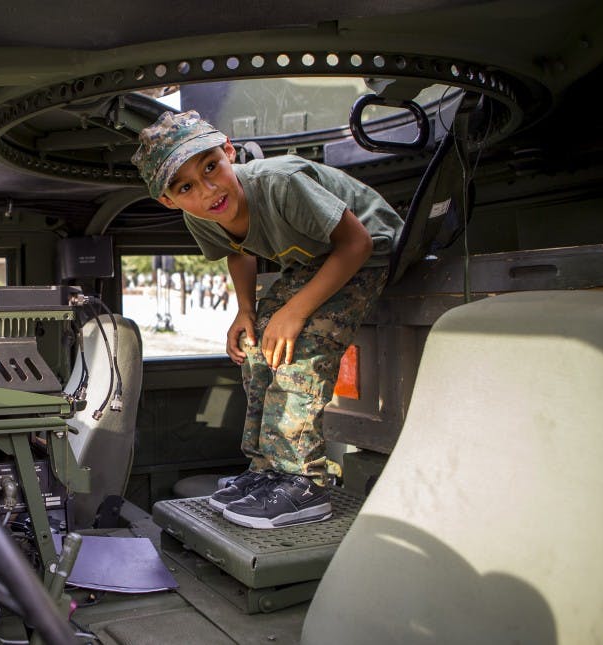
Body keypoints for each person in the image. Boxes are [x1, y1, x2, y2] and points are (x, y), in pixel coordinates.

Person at [131, 111, 402, 529]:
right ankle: (268, 469)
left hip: (374, 248)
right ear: (169, 200)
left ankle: (303, 483)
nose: (208, 190)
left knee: (298, 349)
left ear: (227, 151)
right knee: (257, 347)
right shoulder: (200, 215)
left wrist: (294, 313)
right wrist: (246, 311)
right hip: (314, 261)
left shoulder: (279, 182)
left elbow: (357, 242)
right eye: (186, 187)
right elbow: (239, 250)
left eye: (210, 168)